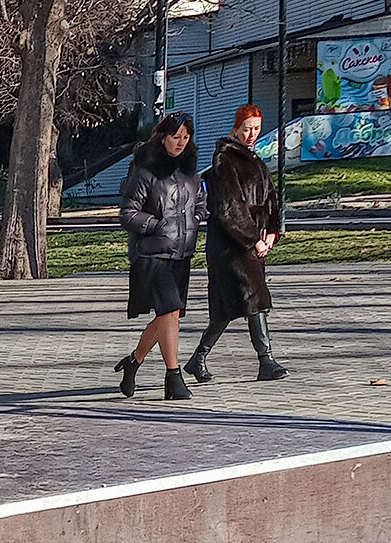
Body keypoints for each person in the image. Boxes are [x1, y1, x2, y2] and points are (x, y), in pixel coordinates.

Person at [183, 104, 288, 384]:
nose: (252, 134)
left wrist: (272, 233)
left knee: (228, 307)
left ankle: (197, 359)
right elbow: (229, 207)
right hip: (230, 246)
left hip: (252, 243)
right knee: (253, 298)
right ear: (236, 127)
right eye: (247, 128)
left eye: (256, 128)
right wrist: (252, 239)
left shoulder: (254, 159)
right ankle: (266, 360)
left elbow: (271, 200)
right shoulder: (225, 159)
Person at [115, 111, 205, 400]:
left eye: (185, 137)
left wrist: (198, 216)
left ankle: (134, 361)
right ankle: (173, 376)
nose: (180, 142)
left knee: (172, 315)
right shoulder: (145, 171)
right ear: (163, 137)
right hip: (152, 255)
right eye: (175, 136)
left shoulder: (190, 171)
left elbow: (201, 201)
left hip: (181, 253)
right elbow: (127, 213)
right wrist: (156, 225)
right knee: (168, 311)